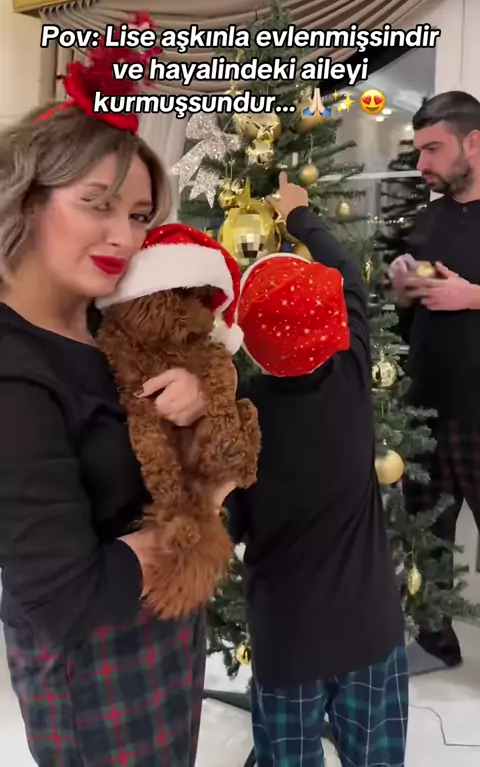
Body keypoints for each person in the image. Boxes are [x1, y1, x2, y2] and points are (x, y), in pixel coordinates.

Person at [0, 33, 233, 766]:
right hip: (93, 673)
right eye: (96, 204)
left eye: (137, 215)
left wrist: (203, 402)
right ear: (25, 201)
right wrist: (201, 515)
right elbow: (66, 598)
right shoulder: (14, 371)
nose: (123, 238)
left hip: (166, 630)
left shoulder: (113, 323)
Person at [226, 172, 408, 767]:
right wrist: (299, 214)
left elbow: (230, 520)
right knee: (375, 755)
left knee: (288, 756)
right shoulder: (352, 375)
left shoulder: (242, 415)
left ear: (249, 341)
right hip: (369, 628)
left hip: (288, 640)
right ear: (333, 328)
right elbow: (349, 275)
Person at [389, 90, 480, 673]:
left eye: (433, 149)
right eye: (419, 150)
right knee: (426, 539)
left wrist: (473, 296)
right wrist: (404, 293)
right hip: (424, 410)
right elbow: (411, 316)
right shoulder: (426, 221)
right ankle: (433, 647)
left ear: (474, 143)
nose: (421, 163)